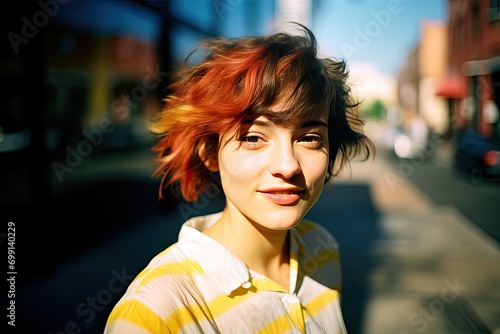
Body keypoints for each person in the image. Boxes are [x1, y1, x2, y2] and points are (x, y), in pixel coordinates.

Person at [104, 23, 374, 333]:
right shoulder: (155, 312)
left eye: (309, 138)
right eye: (254, 137)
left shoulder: (321, 248)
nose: (288, 166)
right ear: (210, 151)